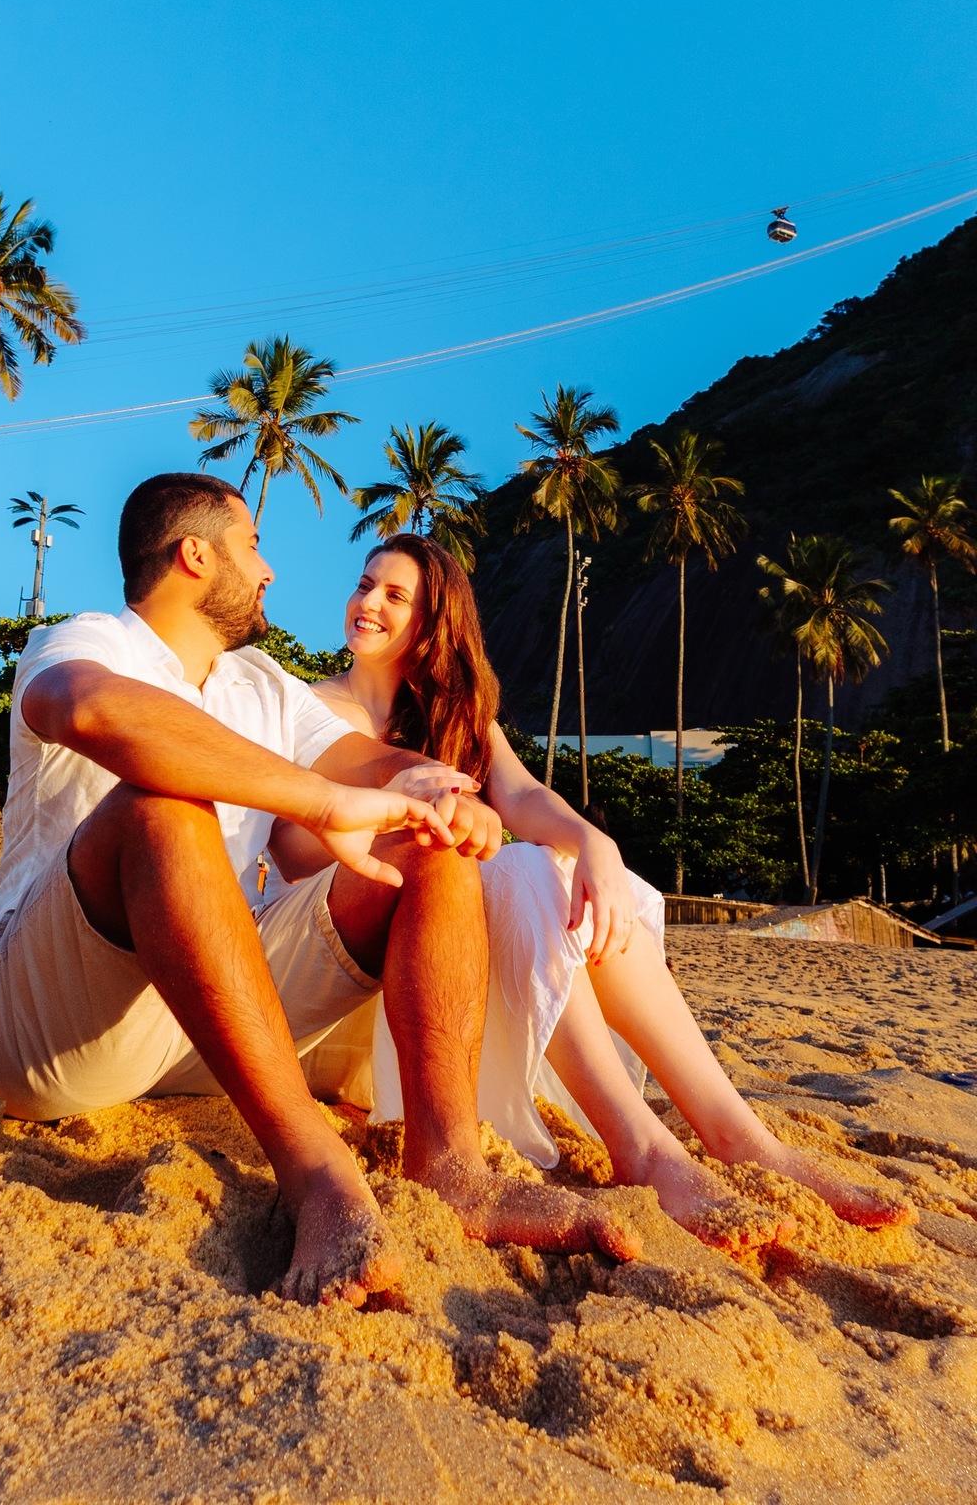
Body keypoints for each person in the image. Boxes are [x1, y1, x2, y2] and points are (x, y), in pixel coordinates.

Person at [0, 475, 643, 1312]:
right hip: (39, 1030)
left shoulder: (262, 683)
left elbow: (365, 763)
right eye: (253, 546)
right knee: (165, 809)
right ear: (196, 556)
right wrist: (322, 802)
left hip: (210, 1015)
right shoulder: (89, 643)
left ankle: (453, 1167)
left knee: (428, 842)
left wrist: (433, 787)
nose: (269, 569)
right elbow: (86, 708)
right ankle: (315, 1173)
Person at [267, 534, 914, 1247]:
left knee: (552, 868)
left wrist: (594, 845)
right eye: (365, 585)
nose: (368, 604)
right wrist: (395, 809)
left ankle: (740, 1137)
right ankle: (644, 1149)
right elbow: (291, 853)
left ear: (432, 622)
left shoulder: (455, 717)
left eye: (395, 595)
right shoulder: (312, 708)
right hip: (350, 982)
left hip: (442, 990)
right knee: (516, 870)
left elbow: (521, 795)